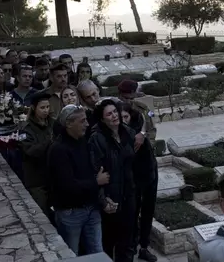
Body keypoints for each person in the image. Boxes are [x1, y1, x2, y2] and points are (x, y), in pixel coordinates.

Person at [48, 105, 108, 255]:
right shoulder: (58, 149)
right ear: (69, 123)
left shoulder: (83, 141)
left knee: (97, 252)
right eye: (82, 121)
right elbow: (67, 185)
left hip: (91, 208)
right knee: (71, 254)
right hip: (71, 213)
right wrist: (96, 182)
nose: (87, 124)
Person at [88, 99, 137, 262]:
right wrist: (103, 199)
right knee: (109, 240)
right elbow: (96, 171)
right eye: (109, 114)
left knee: (128, 239)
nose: (114, 115)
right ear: (102, 119)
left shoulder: (128, 132)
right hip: (110, 196)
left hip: (129, 193)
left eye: (115, 111)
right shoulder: (97, 139)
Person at [120, 103, 158, 262]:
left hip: (148, 174)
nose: (123, 121)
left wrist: (143, 133)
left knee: (147, 211)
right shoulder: (118, 133)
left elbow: (150, 125)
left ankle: (144, 246)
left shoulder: (141, 119)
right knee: (131, 214)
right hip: (130, 178)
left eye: (125, 117)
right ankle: (130, 246)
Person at [18, 92, 54, 218]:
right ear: (34, 108)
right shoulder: (25, 129)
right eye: (42, 108)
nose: (46, 111)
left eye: (48, 107)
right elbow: (30, 151)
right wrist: (49, 143)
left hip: (53, 177)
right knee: (42, 214)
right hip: (36, 180)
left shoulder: (52, 123)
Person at [117, 80, 156, 146]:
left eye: (131, 98)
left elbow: (151, 128)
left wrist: (150, 144)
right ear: (119, 95)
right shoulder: (114, 110)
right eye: (125, 98)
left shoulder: (143, 108)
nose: (128, 101)